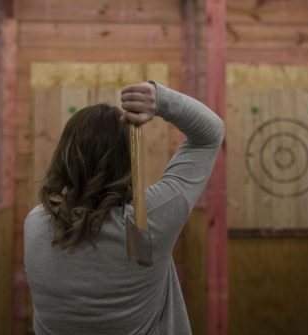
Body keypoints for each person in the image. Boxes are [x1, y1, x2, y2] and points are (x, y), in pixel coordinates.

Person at [24, 81, 224, 334]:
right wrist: (160, 99)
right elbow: (210, 135)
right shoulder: (148, 218)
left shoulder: (35, 224)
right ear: (126, 157)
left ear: (65, 155)